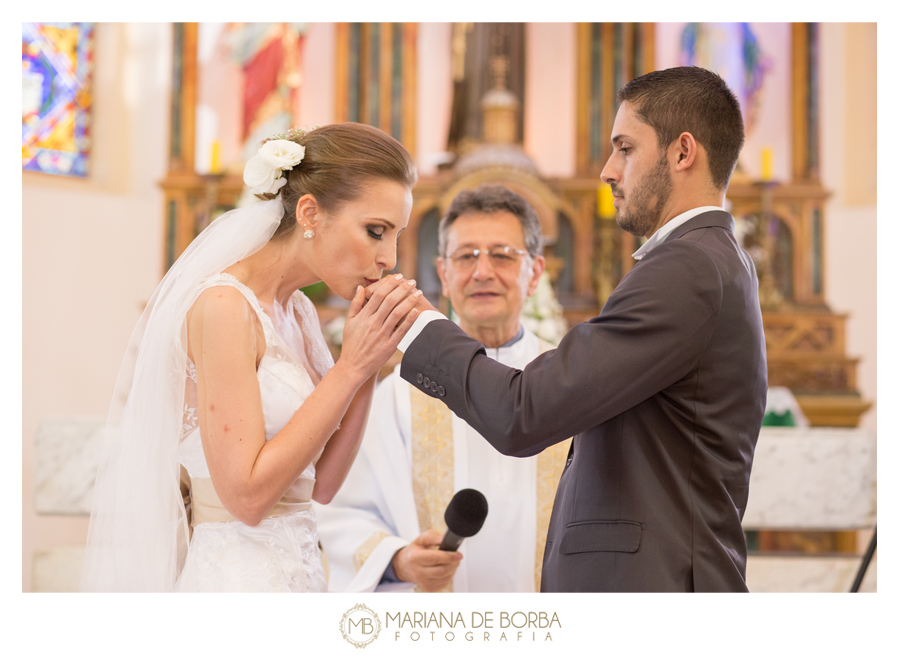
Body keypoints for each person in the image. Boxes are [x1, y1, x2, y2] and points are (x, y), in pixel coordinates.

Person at [397, 66, 768, 592]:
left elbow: (526, 411)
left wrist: (413, 324)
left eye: (624, 148)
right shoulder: (712, 260)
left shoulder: (687, 268)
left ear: (683, 152)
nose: (607, 170)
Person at [81, 123, 422, 592]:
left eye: (396, 235)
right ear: (309, 212)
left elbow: (321, 486)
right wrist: (351, 368)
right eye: (376, 231)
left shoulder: (298, 312)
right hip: (236, 583)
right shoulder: (224, 306)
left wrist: (369, 362)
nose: (390, 257)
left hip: (302, 576)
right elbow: (245, 496)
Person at [316, 184, 570, 592]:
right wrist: (399, 558)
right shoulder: (401, 394)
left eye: (503, 255)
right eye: (466, 256)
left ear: (535, 273)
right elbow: (342, 511)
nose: (482, 271)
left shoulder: (565, 384)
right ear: (444, 275)